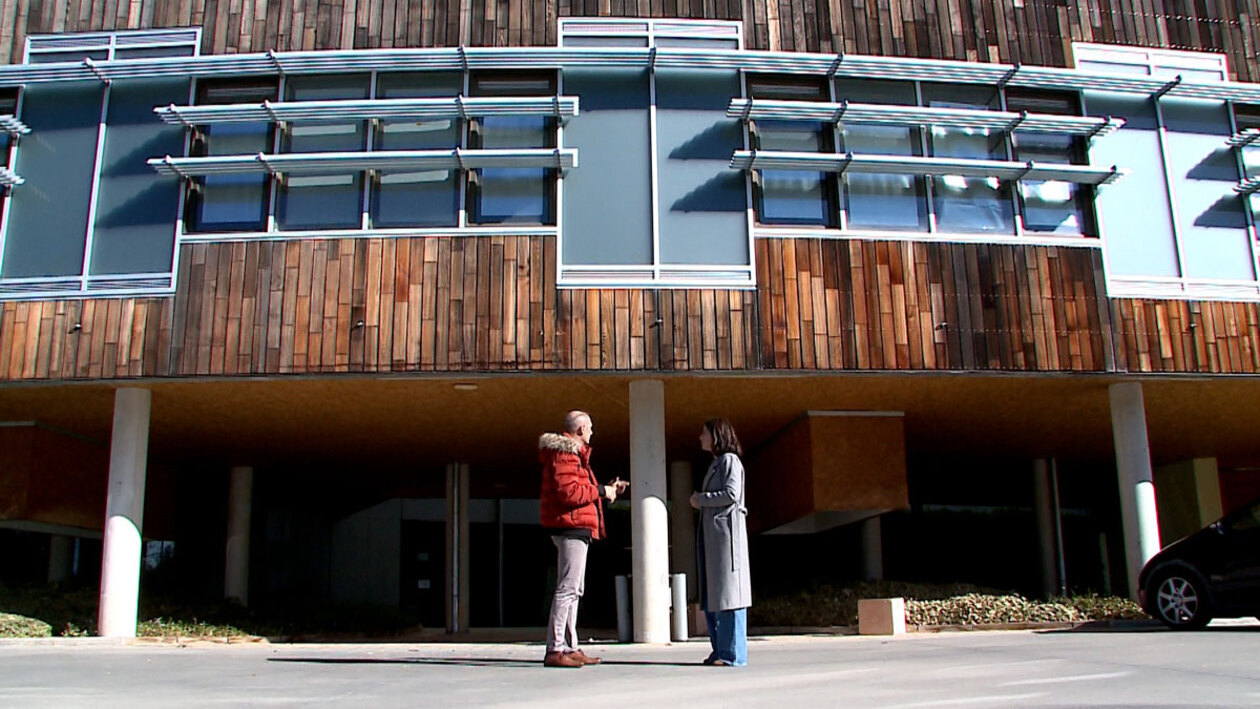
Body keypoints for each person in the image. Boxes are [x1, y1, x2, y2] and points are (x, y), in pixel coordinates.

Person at [538, 409, 627, 668]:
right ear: (580, 430)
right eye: (590, 428)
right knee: (568, 588)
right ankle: (555, 649)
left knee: (574, 589)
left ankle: (569, 645)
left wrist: (606, 489)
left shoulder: (573, 457)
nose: (592, 433)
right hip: (571, 527)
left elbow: (577, 490)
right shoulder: (566, 455)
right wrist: (602, 490)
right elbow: (569, 493)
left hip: (575, 527)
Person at [690, 418, 751, 667]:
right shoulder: (718, 463)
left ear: (717, 435)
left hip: (727, 540)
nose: (700, 437)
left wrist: (700, 499)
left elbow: (731, 494)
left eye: (704, 433)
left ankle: (732, 654)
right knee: (715, 596)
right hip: (715, 540)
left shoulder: (729, 461)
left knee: (729, 596)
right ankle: (720, 650)